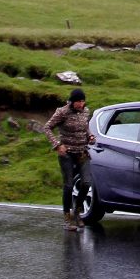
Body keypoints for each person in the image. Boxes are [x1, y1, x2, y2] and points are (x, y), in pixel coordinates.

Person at [43, 87, 96, 231]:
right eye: (78, 101)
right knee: (68, 185)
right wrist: (57, 145)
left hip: (82, 152)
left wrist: (90, 136)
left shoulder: (86, 112)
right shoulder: (62, 112)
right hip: (67, 154)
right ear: (72, 102)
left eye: (83, 101)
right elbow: (47, 128)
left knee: (86, 182)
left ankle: (77, 213)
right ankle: (67, 219)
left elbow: (85, 128)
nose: (81, 104)